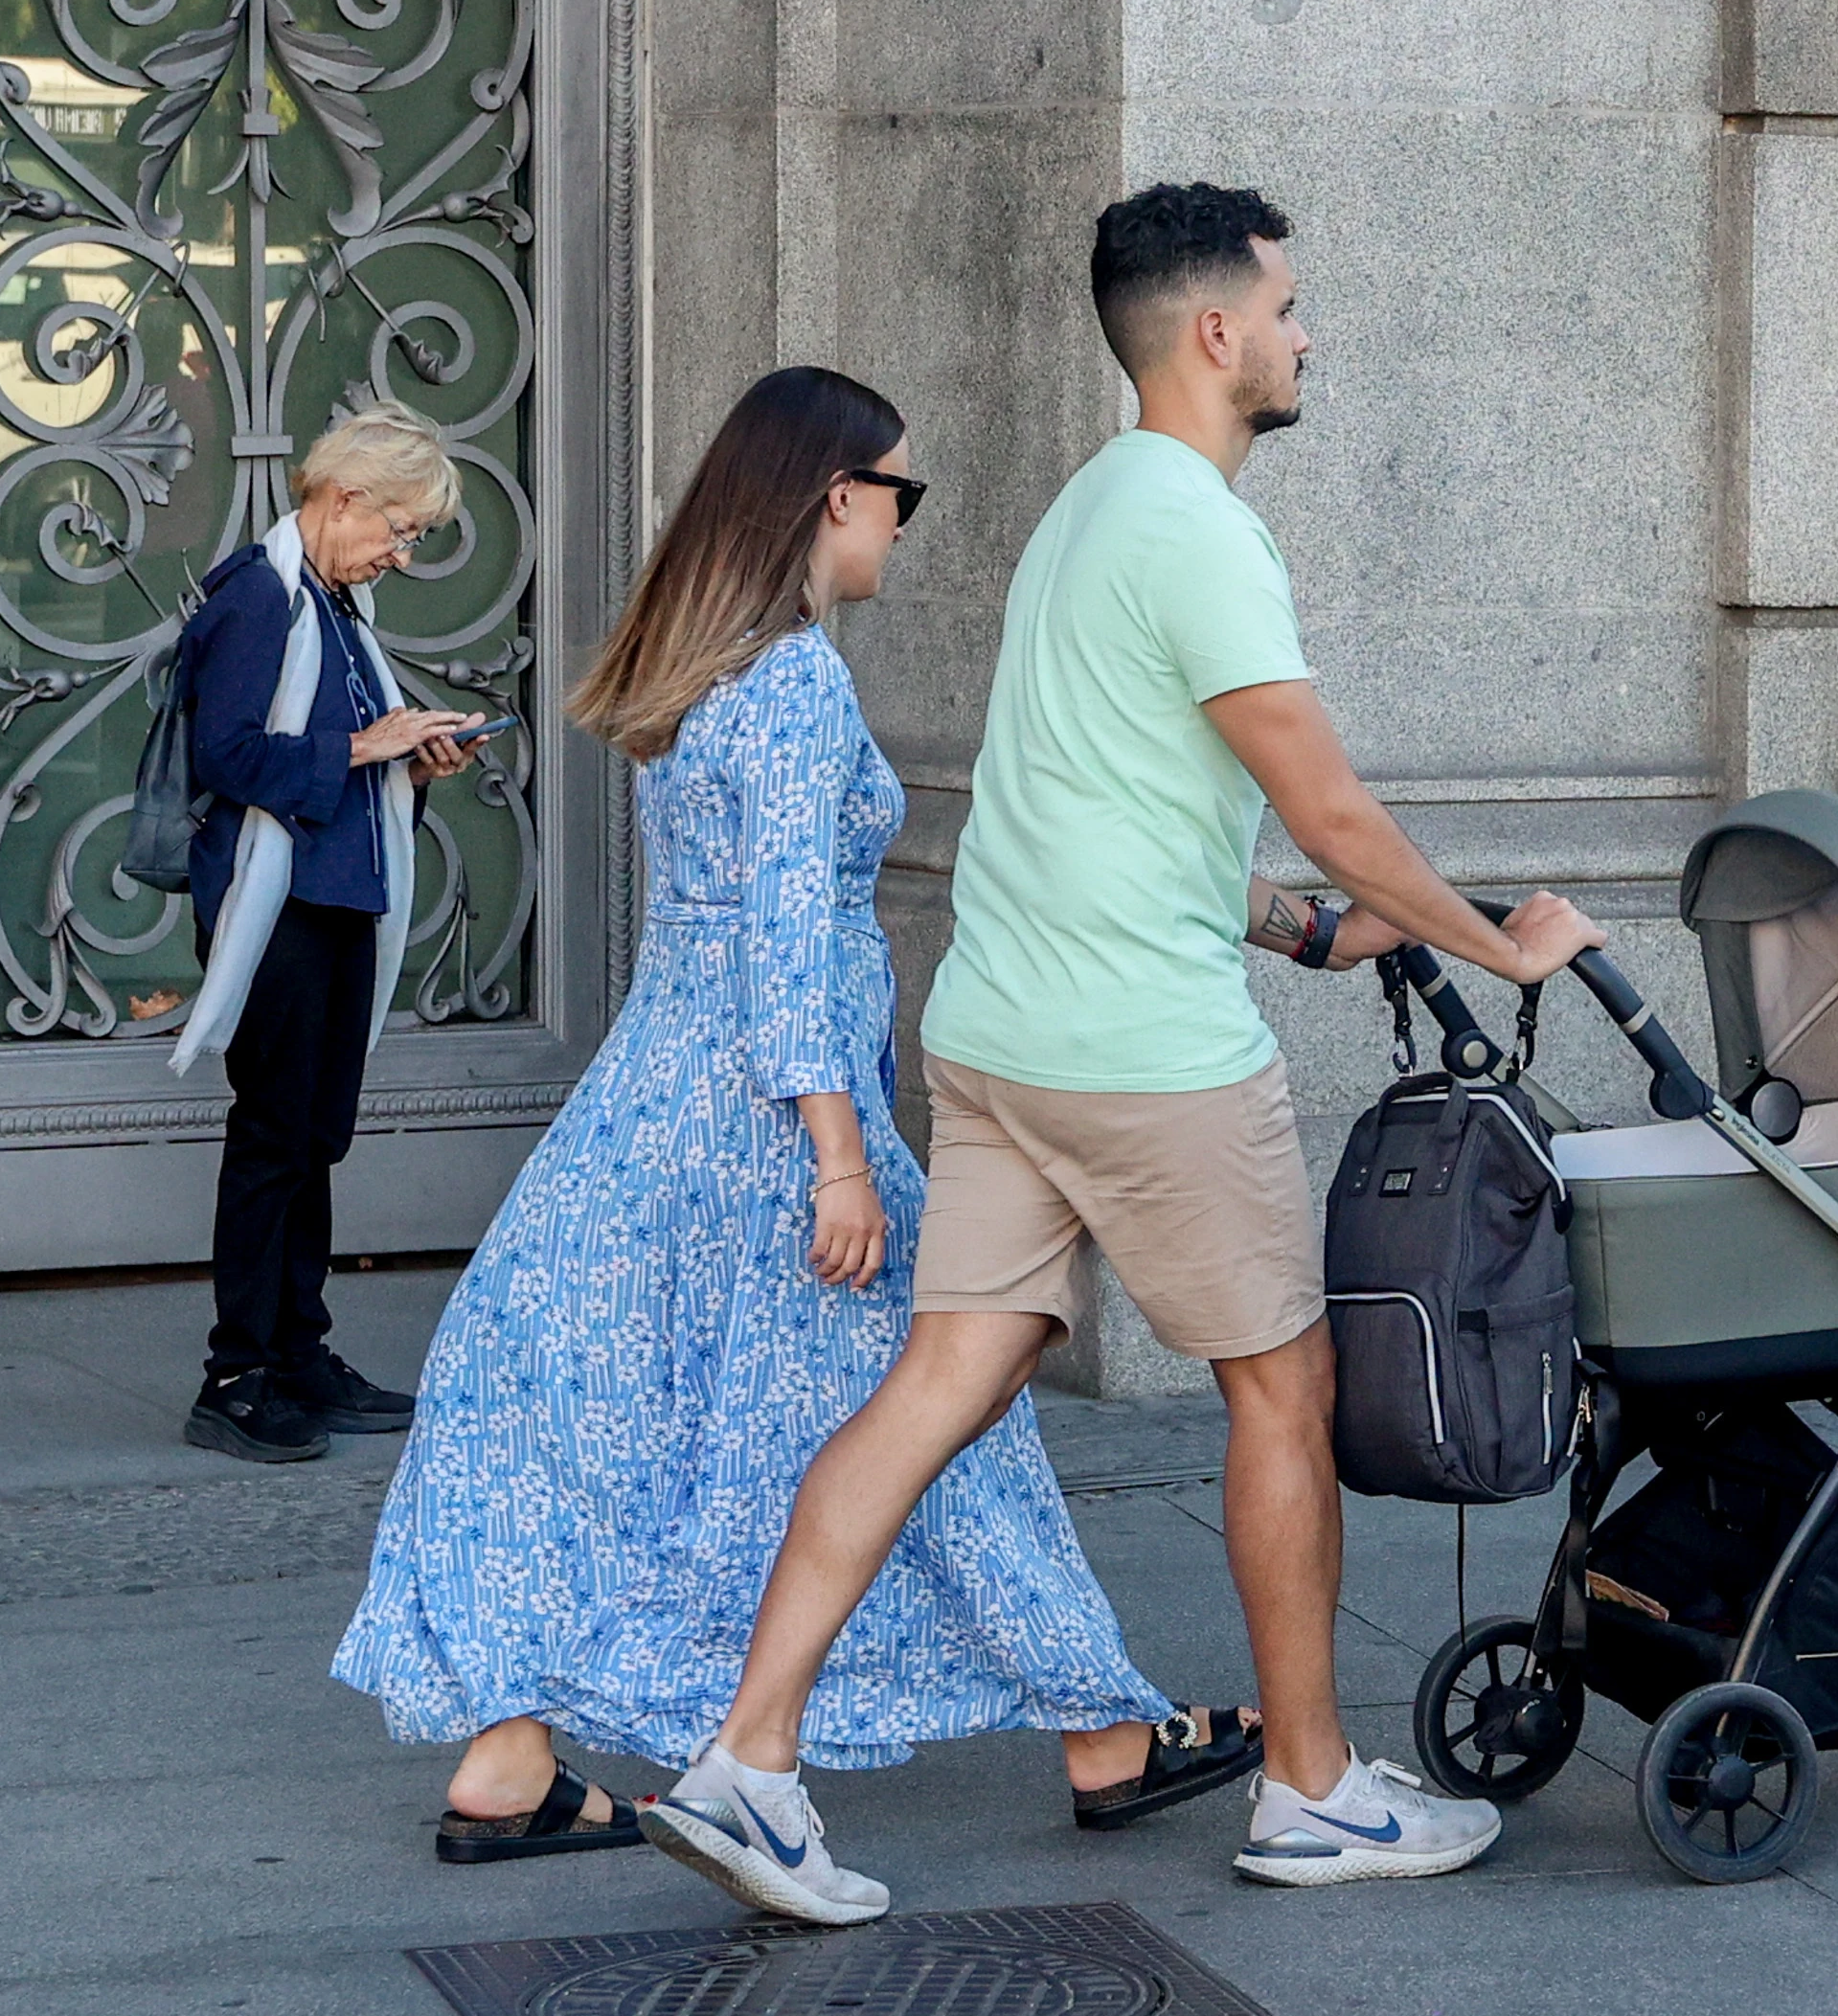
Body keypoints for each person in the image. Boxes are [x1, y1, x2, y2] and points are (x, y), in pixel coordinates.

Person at [640, 184, 1605, 1925]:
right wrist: (1494, 934)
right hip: (1146, 1054)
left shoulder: (1091, 512)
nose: (1310, 335)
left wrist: (1298, 925)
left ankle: (748, 1757)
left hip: (1002, 1032)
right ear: (1216, 332)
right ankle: (1311, 1789)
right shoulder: (1203, 534)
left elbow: (1098, 800)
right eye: (1292, 307)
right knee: (1281, 1390)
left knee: (941, 1381)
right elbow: (1328, 796)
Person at [332, 367, 1258, 1864]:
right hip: (769, 1119)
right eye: (904, 491)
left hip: (652, 1101)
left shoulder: (708, 672)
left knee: (557, 1404)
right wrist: (837, 1152)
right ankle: (1100, 1730)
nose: (906, 521)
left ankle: (508, 1757)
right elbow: (776, 932)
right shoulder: (795, 682)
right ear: (838, 495)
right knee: (946, 1419)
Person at [168, 403, 485, 1463]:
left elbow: (336, 761)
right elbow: (228, 756)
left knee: (314, 1135)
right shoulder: (259, 597)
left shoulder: (332, 602)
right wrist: (365, 744)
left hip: (337, 896)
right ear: (343, 497)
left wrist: (409, 760)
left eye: (414, 538)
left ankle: (299, 1352)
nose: (400, 553)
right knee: (273, 1137)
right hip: (279, 908)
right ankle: (236, 1373)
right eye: (399, 528)